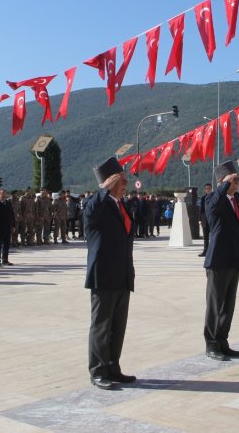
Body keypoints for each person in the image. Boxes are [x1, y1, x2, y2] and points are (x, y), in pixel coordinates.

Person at [84, 157, 136, 390]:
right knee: (101, 326)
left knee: (118, 326)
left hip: (122, 275)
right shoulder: (96, 205)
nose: (125, 184)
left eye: (125, 180)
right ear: (110, 181)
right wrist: (103, 188)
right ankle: (98, 370)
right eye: (121, 180)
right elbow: (90, 213)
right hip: (103, 276)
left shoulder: (120, 205)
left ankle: (114, 367)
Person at [203, 161, 239, 361]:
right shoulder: (212, 199)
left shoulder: (236, 201)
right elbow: (212, 210)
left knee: (228, 306)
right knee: (215, 305)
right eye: (233, 180)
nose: (237, 183)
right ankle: (211, 343)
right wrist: (223, 187)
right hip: (217, 261)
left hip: (232, 260)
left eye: (237, 179)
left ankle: (222, 341)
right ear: (222, 182)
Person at [198, 183, 212, 257]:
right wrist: (199, 219)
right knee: (205, 237)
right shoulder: (203, 198)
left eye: (209, 188)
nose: (208, 190)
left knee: (213, 237)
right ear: (205, 190)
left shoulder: (214, 197)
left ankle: (212, 251)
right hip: (204, 219)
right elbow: (201, 209)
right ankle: (205, 250)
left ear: (211, 189)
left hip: (212, 220)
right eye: (207, 188)